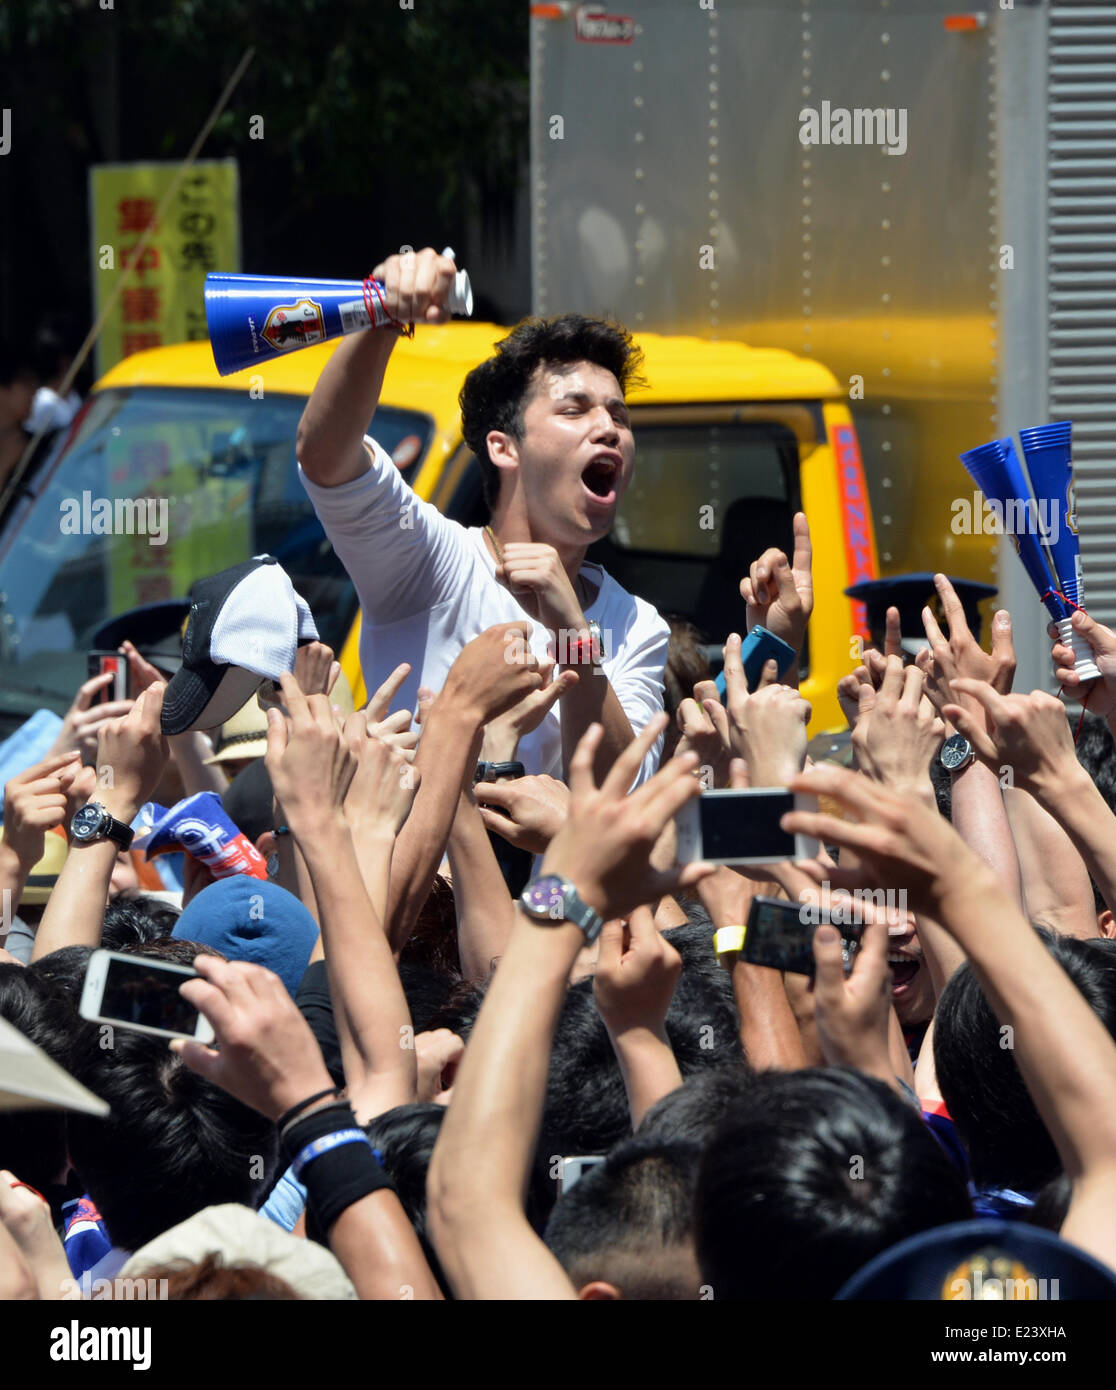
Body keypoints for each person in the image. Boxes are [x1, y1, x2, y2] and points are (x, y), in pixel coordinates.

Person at [295, 247, 672, 784]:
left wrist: (571, 629)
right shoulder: (432, 560)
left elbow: (620, 791)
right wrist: (380, 316)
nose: (609, 428)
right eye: (574, 408)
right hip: (421, 873)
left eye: (619, 415)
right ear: (504, 448)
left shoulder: (637, 625)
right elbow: (325, 457)